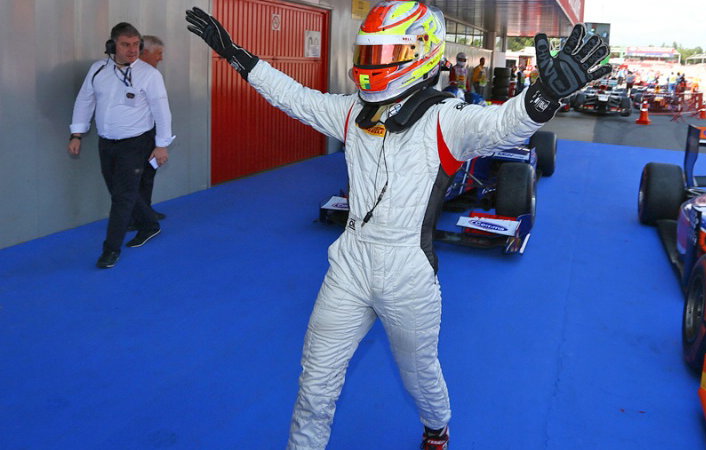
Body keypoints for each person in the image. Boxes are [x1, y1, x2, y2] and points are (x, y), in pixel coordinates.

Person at [186, 3, 609, 448]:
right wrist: (236, 55)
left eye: (385, 53)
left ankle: (437, 426)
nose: (372, 64)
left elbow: (502, 126)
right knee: (315, 382)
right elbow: (292, 96)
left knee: (418, 374)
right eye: (368, 53)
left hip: (408, 275)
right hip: (349, 264)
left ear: (421, 54)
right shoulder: (351, 112)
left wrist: (543, 96)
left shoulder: (447, 118)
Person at [68, 22, 174, 268]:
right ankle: (150, 224)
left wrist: (162, 145)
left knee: (122, 198)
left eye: (136, 44)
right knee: (118, 191)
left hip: (136, 143)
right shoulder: (98, 70)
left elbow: (162, 111)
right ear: (112, 45)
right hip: (107, 143)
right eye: (126, 44)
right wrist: (76, 134)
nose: (132, 50)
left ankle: (110, 250)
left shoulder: (149, 75)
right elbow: (85, 101)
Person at [135, 35, 168, 223]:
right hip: (134, 138)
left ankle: (145, 213)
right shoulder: (127, 75)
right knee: (135, 178)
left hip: (149, 135)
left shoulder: (152, 75)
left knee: (147, 175)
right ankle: (135, 217)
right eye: (158, 53)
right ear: (145, 52)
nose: (161, 58)